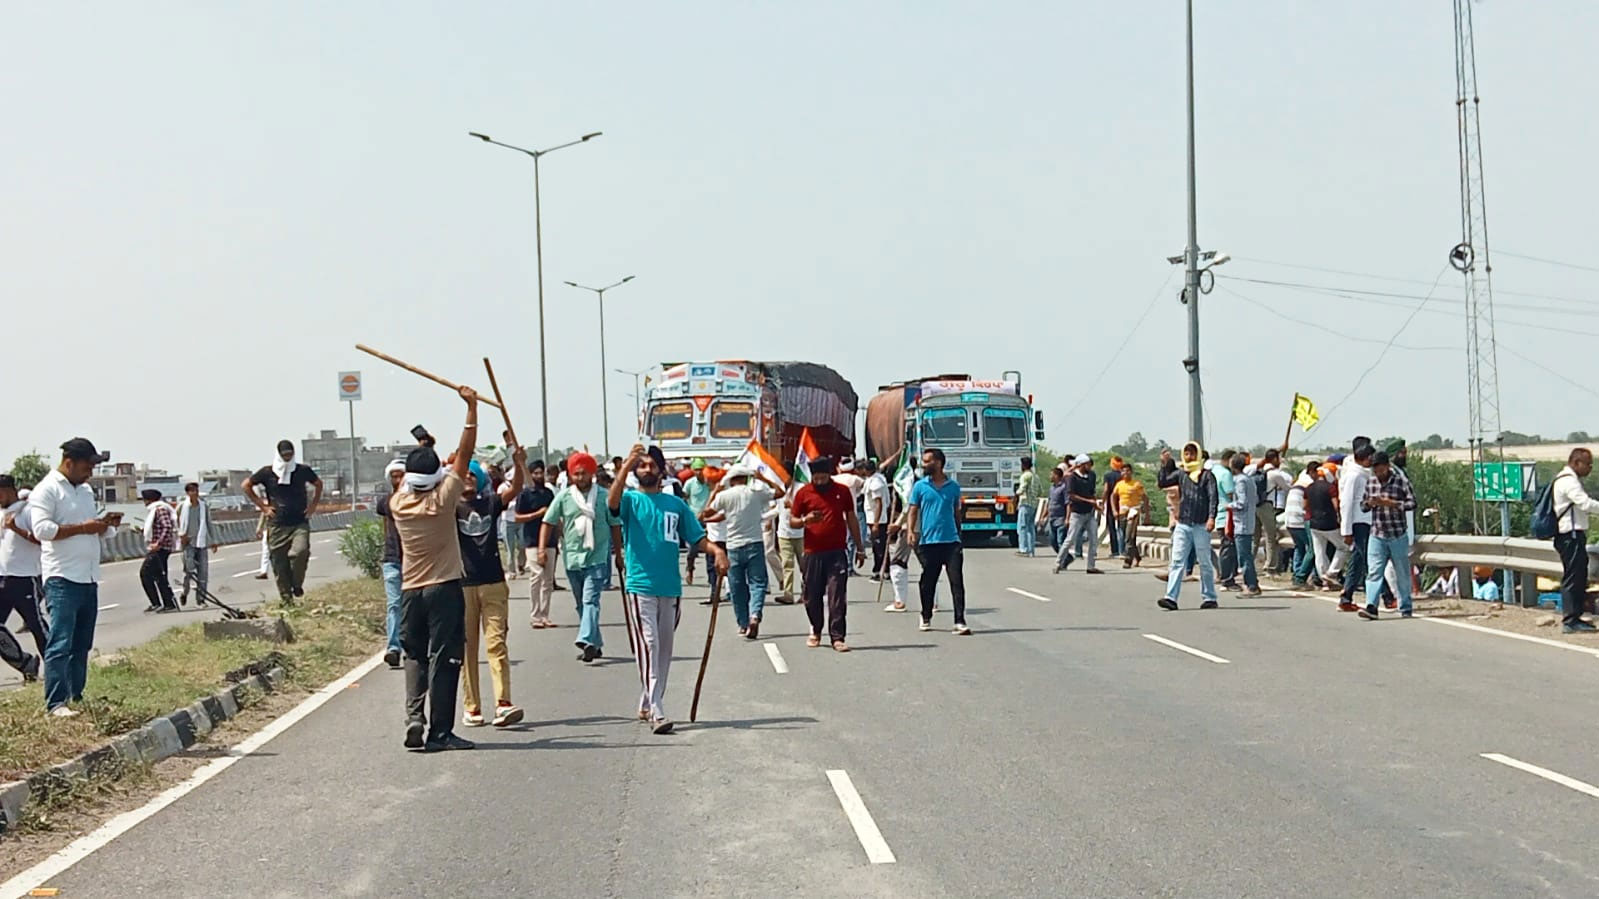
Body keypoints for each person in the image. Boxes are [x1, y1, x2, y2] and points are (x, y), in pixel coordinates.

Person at [609, 444, 728, 734]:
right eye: (642, 465)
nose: (646, 469)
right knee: (649, 645)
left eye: (651, 465)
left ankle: (647, 700)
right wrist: (626, 465)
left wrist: (716, 551)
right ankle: (658, 711)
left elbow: (696, 537)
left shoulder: (676, 505)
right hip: (640, 586)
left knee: (663, 650)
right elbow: (611, 506)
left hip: (670, 588)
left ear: (662, 470)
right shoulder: (630, 500)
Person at [389, 387, 479, 752]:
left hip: (410, 590)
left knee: (414, 655)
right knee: (446, 659)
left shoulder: (399, 502)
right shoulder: (444, 500)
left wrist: (425, 448)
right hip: (443, 588)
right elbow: (464, 455)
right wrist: (471, 408)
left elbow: (427, 469)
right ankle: (441, 731)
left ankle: (414, 716)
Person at [30, 438, 116, 718]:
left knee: (82, 644)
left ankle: (75, 695)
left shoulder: (86, 491)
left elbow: (90, 524)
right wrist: (83, 528)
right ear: (69, 462)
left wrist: (102, 527)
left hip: (88, 576)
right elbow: (42, 530)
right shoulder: (47, 490)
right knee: (60, 642)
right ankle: (56, 702)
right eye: (87, 465)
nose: (90, 471)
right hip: (62, 578)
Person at [456, 447, 526, 729]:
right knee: (467, 649)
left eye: (473, 474)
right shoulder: (448, 508)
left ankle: (503, 703)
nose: (468, 478)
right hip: (462, 587)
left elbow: (516, 488)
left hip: (494, 584)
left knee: (497, 644)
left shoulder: (490, 502)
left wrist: (518, 464)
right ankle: (472, 707)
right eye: (463, 474)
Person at [541, 452, 622, 663]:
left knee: (590, 600)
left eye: (584, 473)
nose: (580, 478)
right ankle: (594, 644)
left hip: (597, 557)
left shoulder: (604, 496)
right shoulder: (564, 497)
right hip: (572, 557)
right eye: (576, 474)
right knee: (581, 603)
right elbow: (548, 522)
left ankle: (585, 638)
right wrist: (542, 549)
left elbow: (615, 525)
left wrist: (619, 555)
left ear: (592, 474)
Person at [790, 457, 865, 651]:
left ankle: (837, 637)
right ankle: (815, 630)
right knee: (811, 596)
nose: (820, 481)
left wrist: (860, 547)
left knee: (837, 596)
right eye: (817, 478)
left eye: (823, 478)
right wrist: (806, 520)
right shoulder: (804, 493)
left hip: (837, 552)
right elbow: (793, 521)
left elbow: (851, 519)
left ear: (829, 474)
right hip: (813, 553)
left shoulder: (842, 491)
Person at [703, 464, 782, 639]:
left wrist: (715, 491)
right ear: (746, 478)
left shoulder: (725, 495)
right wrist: (763, 479)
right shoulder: (755, 493)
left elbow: (707, 512)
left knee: (737, 587)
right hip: (755, 542)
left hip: (733, 546)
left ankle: (743, 623)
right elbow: (779, 492)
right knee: (758, 583)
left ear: (731, 480)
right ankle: (755, 615)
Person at [242, 440, 322, 604]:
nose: (287, 457)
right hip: (277, 524)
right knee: (279, 563)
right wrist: (263, 507)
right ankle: (287, 601)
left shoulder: (302, 470)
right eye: (284, 455)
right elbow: (246, 485)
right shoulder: (267, 472)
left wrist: (313, 505)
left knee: (300, 552)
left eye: (290, 454)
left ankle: (297, 584)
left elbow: (318, 484)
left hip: (299, 522)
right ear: (279, 454)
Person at [908, 448, 970, 635]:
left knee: (956, 581)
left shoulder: (953, 487)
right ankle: (925, 615)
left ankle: (959, 621)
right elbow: (912, 510)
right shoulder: (920, 486)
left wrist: (959, 535)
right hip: (929, 542)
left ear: (939, 463)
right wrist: (911, 531)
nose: (924, 464)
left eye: (927, 461)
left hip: (951, 541)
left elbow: (956, 512)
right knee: (928, 582)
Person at [1156, 443, 1219, 611]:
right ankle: (1171, 597)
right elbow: (1162, 482)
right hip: (1183, 524)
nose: (1189, 456)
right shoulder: (1181, 474)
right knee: (1177, 562)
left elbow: (1213, 497)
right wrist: (1164, 464)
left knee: (1204, 562)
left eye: (1192, 453)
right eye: (1186, 453)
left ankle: (1209, 597)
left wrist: (1211, 517)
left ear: (1198, 455)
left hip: (1200, 525)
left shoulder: (1207, 476)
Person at [1356, 451, 1417, 620]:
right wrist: (1370, 503)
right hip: (1377, 534)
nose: (1378, 474)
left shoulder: (1401, 482)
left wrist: (1392, 504)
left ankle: (1405, 606)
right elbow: (1363, 505)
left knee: (1402, 573)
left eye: (1381, 469)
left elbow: (1413, 503)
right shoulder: (1371, 482)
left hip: (1397, 534)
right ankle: (1371, 606)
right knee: (1374, 572)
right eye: (1375, 470)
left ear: (1387, 467)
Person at [1551, 447, 1599, 633]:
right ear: (1576, 462)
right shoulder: (1569, 481)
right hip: (1569, 535)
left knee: (1579, 575)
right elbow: (1585, 503)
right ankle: (1570, 620)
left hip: (1571, 535)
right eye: (1588, 464)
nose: (1590, 468)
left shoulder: (1565, 479)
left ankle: (1576, 617)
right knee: (1573, 576)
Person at [0, 479, 48, 662]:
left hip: (24, 579)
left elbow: (42, 540)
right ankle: (26, 664)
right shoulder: (2, 513)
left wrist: (16, 529)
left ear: (9, 490)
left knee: (37, 626)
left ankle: (58, 667)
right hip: (3, 577)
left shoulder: (27, 512)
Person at [515, 460, 558, 628]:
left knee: (548, 580)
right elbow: (517, 517)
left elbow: (555, 516)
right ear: (531, 474)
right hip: (532, 540)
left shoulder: (549, 493)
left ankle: (545, 615)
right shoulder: (525, 495)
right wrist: (536, 514)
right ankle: (535, 615)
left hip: (550, 541)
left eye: (542, 473)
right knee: (537, 576)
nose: (539, 476)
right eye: (536, 473)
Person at [1338, 443, 1376, 612]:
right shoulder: (1354, 476)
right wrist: (1346, 530)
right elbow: (1345, 503)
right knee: (1371, 560)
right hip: (1359, 522)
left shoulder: (1363, 474)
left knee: (1358, 560)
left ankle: (1346, 597)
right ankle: (1387, 596)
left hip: (1366, 521)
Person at [376, 460, 406, 669]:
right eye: (394, 476)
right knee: (394, 604)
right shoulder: (386, 502)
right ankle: (393, 648)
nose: (398, 480)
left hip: (416, 561)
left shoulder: (417, 500)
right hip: (392, 559)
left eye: (401, 475)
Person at [1054, 455, 1103, 575]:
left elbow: (1092, 492)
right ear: (1081, 465)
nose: (1089, 466)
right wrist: (1088, 501)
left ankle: (1091, 566)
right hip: (1077, 513)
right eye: (1087, 464)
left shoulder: (1091, 476)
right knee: (1070, 539)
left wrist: (1095, 504)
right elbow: (1071, 495)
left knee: (1094, 539)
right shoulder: (1072, 478)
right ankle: (1058, 563)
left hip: (1089, 513)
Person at [1306, 460, 1345, 591]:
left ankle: (1325, 581)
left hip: (1314, 524)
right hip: (1329, 523)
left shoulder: (1309, 488)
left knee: (1319, 553)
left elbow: (1304, 506)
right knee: (1344, 547)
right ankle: (1331, 573)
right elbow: (1336, 506)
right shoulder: (1330, 487)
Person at [176, 482, 216, 606]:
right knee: (188, 572)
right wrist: (181, 534)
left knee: (203, 573)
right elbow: (175, 522)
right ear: (188, 493)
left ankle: (201, 599)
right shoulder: (182, 506)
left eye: (196, 490)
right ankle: (185, 592)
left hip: (201, 542)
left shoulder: (204, 506)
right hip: (188, 544)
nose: (195, 493)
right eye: (192, 490)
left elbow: (209, 523)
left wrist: (213, 541)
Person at [139, 489, 180, 612]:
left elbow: (167, 526)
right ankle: (166, 603)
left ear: (149, 500)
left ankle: (162, 603)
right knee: (159, 576)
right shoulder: (155, 510)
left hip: (160, 548)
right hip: (158, 547)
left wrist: (158, 543)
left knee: (145, 573)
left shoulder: (159, 509)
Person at [1226, 456, 1261, 596]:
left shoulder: (1240, 481)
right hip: (1248, 521)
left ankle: (1251, 585)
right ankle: (1253, 584)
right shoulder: (1249, 480)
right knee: (1246, 555)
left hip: (1242, 523)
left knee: (1245, 557)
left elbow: (1241, 503)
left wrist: (1228, 506)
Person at [682, 458, 712, 586]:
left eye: (701, 469)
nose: (699, 472)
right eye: (696, 470)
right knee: (692, 549)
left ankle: (712, 579)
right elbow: (684, 496)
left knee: (710, 550)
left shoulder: (709, 483)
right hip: (694, 519)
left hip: (709, 519)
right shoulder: (689, 483)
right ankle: (690, 569)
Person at [773, 484, 804, 604]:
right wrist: (761, 518)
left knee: (805, 566)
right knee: (787, 565)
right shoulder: (780, 489)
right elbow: (777, 509)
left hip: (800, 533)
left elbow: (806, 510)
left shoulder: (801, 488)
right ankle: (788, 594)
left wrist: (792, 506)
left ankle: (805, 593)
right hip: (784, 534)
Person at [1284, 464, 1315, 587]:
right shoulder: (1308, 486)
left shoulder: (1295, 485)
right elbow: (1307, 506)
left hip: (1290, 521)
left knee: (1299, 547)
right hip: (1300, 520)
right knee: (1312, 549)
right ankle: (1301, 576)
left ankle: (1296, 573)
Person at [1114, 463, 1147, 568]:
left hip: (1134, 512)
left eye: (1128, 471)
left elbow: (1145, 498)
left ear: (1131, 472)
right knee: (1128, 537)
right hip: (1123, 512)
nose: (1125, 473)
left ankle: (1128, 560)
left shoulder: (1136, 484)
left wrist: (1146, 513)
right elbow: (1113, 496)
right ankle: (1137, 556)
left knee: (1129, 536)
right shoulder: (1119, 484)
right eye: (1123, 471)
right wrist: (1114, 510)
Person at [863, 460, 892, 575]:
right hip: (871, 518)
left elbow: (878, 503)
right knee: (876, 546)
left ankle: (884, 570)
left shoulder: (876, 483)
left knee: (880, 547)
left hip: (877, 520)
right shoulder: (874, 478)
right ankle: (878, 569)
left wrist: (876, 523)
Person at [1014, 457, 1039, 558]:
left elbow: (1022, 488)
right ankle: (1031, 550)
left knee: (1022, 526)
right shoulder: (1035, 476)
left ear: (1023, 465)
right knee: (1031, 527)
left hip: (1025, 503)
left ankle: (1023, 549)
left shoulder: (1025, 476)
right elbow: (1040, 490)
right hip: (1033, 504)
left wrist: (1016, 493)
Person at [1102, 457, 1125, 559]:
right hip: (1122, 503)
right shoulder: (1123, 475)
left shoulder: (1108, 475)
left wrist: (1103, 502)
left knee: (1111, 527)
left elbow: (1106, 490)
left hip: (1111, 504)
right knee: (1122, 527)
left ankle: (1115, 550)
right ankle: (1122, 549)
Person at [1046, 465, 1068, 554]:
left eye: (1051, 474)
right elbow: (1049, 502)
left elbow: (1068, 503)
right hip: (1052, 518)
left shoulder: (1064, 488)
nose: (1050, 477)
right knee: (1053, 541)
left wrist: (1067, 518)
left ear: (1056, 476)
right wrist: (1044, 516)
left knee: (1060, 541)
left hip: (1061, 518)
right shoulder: (1052, 488)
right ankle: (1067, 557)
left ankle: (1061, 561)